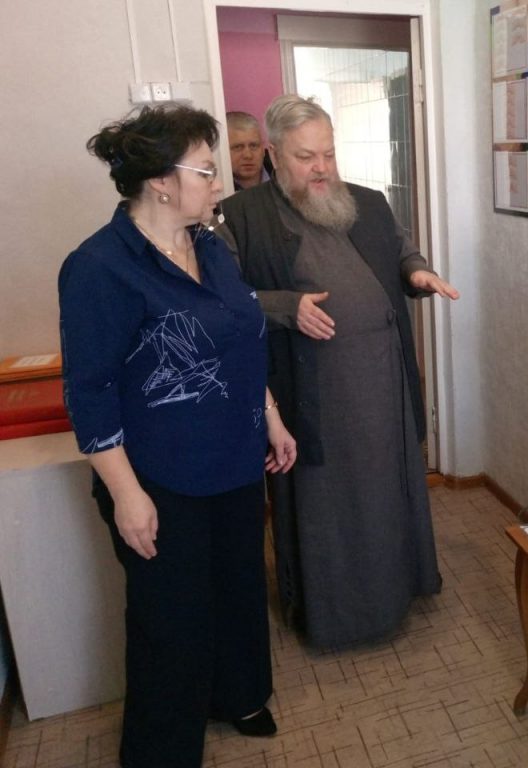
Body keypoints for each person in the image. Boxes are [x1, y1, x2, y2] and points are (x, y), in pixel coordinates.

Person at [58, 104, 297, 768]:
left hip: (236, 463)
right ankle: (161, 751)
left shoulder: (209, 246)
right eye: (206, 170)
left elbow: (241, 344)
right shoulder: (99, 267)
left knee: (239, 591)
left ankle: (237, 696)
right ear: (162, 181)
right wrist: (127, 495)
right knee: (170, 619)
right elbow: (89, 392)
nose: (219, 182)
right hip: (160, 478)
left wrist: (271, 416)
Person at [218, 94, 460, 649]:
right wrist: (287, 307)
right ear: (274, 154)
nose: (322, 168)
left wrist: (417, 273)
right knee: (330, 503)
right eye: (306, 157)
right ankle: (340, 616)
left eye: (328, 153)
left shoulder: (368, 202)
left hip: (382, 381)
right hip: (313, 392)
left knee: (388, 489)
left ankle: (399, 590)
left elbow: (401, 251)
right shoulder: (242, 217)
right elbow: (222, 303)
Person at [227, 111, 271, 189]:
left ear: (263, 149)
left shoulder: (283, 176)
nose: (248, 155)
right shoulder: (215, 188)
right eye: (238, 147)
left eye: (254, 146)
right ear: (224, 151)